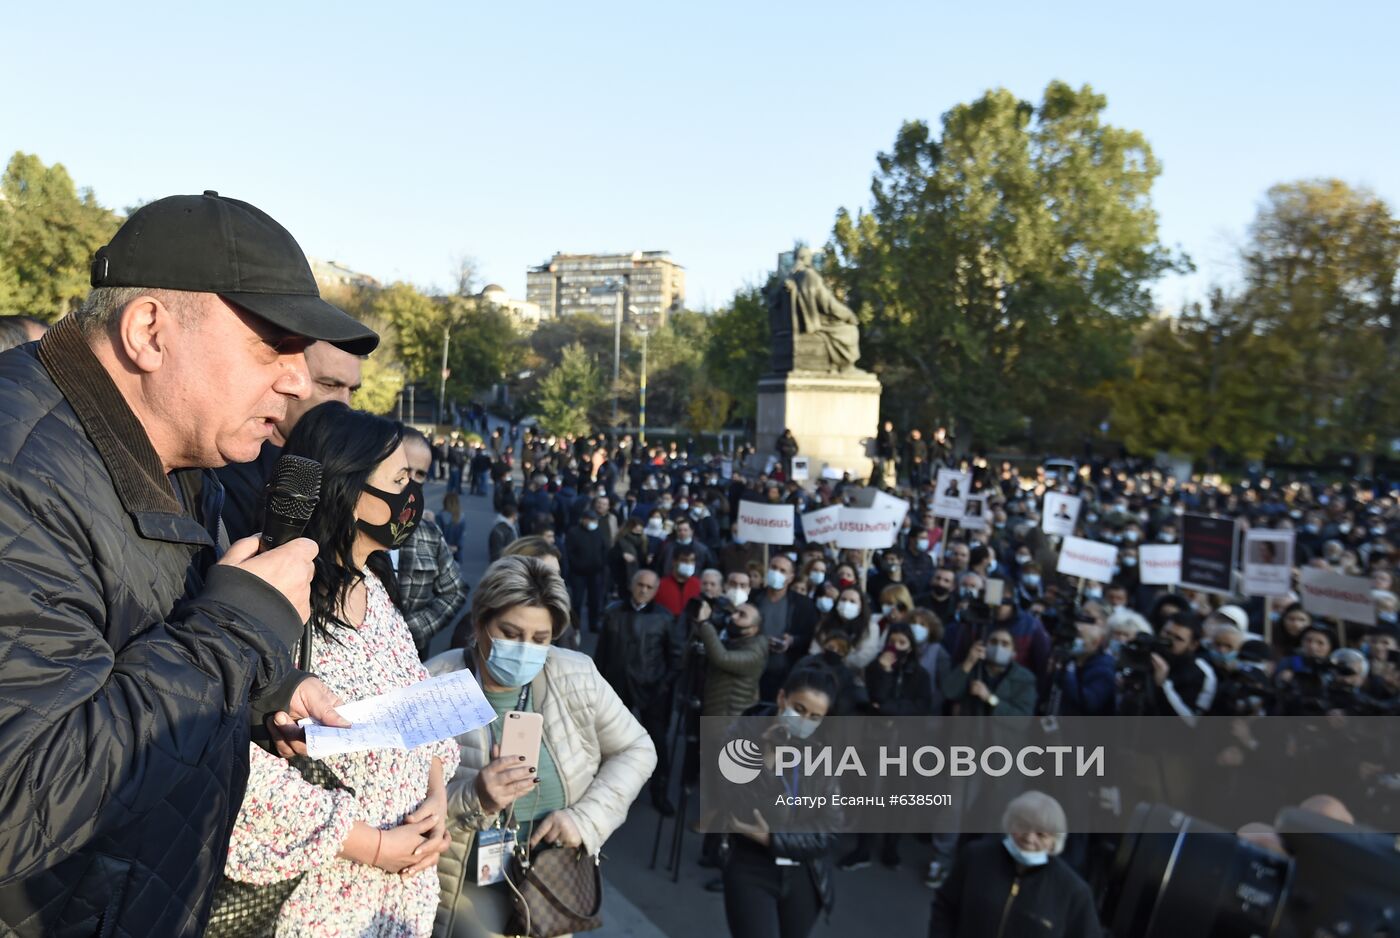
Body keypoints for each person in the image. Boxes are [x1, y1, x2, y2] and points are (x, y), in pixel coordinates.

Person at [0, 192, 371, 936]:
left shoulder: (167, 448)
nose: (298, 382)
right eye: (274, 347)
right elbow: (21, 798)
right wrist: (238, 630)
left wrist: (268, 687)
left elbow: (136, 634)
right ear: (149, 331)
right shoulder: (20, 473)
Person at [222, 404, 459, 935]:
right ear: (350, 494)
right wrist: (373, 846)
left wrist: (436, 801)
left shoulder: (372, 586)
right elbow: (234, 768)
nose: (413, 498)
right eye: (401, 480)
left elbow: (419, 712)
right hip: (313, 909)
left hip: (398, 904)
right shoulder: (280, 597)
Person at [427, 556, 656, 938]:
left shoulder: (576, 674)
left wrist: (584, 820)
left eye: (540, 639)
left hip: (549, 880)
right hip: (465, 885)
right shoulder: (437, 681)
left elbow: (637, 748)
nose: (525, 650)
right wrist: (476, 796)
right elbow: (402, 800)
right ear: (481, 622)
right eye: (511, 633)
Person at [719, 666, 841, 938]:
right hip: (751, 868)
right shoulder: (743, 733)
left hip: (804, 873)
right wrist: (767, 757)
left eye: (815, 717)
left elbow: (830, 829)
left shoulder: (824, 752)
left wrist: (773, 838)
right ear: (782, 698)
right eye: (798, 708)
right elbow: (734, 805)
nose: (804, 721)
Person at [217, 336, 364, 541]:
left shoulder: (348, 469)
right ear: (294, 379)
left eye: (352, 390)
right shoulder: (226, 470)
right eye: (329, 385)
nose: (344, 404)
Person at [928, 792, 1101, 937]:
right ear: (1009, 823)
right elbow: (945, 907)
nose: (1029, 838)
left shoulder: (1073, 892)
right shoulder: (976, 857)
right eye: (1023, 826)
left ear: (1054, 842)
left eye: (1041, 834)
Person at [593, 568, 683, 814]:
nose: (643, 590)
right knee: (609, 741)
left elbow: (676, 658)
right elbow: (601, 654)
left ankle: (659, 792)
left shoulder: (664, 618)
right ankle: (603, 791)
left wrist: (662, 686)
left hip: (651, 691)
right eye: (640, 585)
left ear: (655, 591)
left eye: (649, 587)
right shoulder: (614, 613)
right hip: (617, 690)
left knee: (657, 744)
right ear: (632, 585)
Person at [397, 427, 470, 657]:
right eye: (405, 470)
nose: (411, 481)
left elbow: (455, 591)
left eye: (420, 474)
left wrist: (409, 630)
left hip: (412, 660)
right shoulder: (343, 528)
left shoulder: (427, 534)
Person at [565, 507, 610, 632]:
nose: (592, 522)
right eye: (590, 519)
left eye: (594, 519)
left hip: (595, 572)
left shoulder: (598, 532)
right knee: (577, 601)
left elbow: (604, 549)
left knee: (595, 600)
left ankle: (594, 624)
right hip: (578, 573)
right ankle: (575, 625)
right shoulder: (573, 532)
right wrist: (576, 565)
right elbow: (569, 552)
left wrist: (602, 564)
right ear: (583, 520)